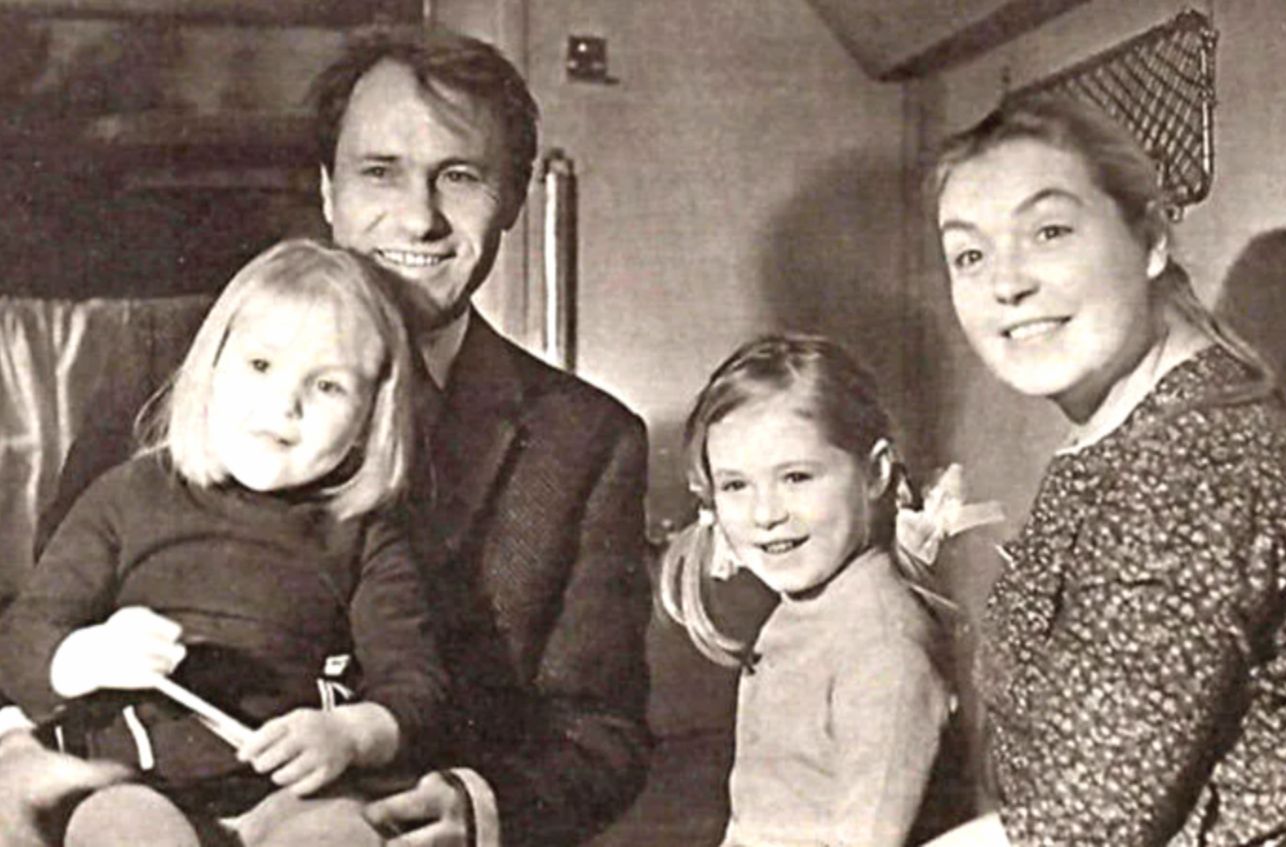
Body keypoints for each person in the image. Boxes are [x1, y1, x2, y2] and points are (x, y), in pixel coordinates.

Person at [2, 29, 652, 847]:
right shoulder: (167, 364)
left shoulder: (588, 441)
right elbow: (36, 614)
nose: (417, 216)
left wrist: (479, 805)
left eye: (459, 176)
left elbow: (600, 734)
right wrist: (14, 753)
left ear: (513, 202)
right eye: (379, 171)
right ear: (328, 189)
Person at [923, 93, 1286, 846]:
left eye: (1049, 231)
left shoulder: (1195, 463)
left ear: (1149, 239)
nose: (1005, 283)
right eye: (970, 255)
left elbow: (1081, 828)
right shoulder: (1134, 427)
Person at [0, 238, 446, 846]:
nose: (284, 404)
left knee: (344, 834)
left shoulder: (365, 534)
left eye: (328, 386)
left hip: (293, 796)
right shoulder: (126, 496)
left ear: (372, 419)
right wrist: (85, 656)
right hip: (132, 786)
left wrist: (351, 734)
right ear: (208, 370)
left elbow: (415, 685)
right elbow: (22, 641)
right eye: (260, 365)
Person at [659, 334, 994, 847]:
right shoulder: (806, 611)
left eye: (796, 477)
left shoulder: (882, 648)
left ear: (875, 473)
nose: (766, 514)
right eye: (735, 485)